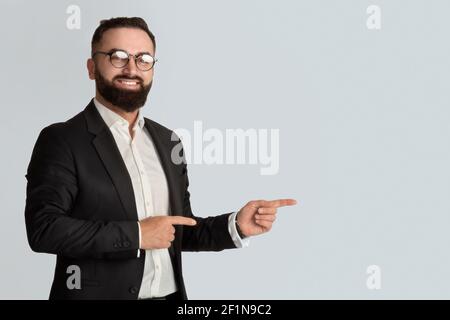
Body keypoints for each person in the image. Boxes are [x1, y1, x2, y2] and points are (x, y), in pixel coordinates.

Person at [24, 17, 297, 300]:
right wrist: (138, 235)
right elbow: (44, 229)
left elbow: (177, 231)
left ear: (152, 68)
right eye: (117, 57)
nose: (131, 68)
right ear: (92, 68)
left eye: (143, 59)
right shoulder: (62, 139)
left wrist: (236, 226)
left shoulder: (168, 142)